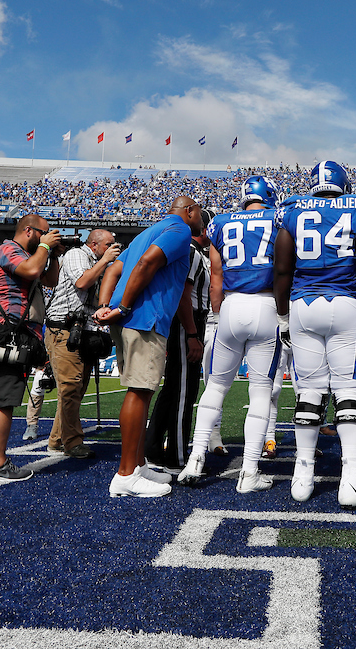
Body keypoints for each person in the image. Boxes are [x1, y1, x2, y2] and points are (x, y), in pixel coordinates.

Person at [272, 160, 356, 508]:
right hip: (345, 305)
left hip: (302, 307)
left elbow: (281, 270)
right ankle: (352, 481)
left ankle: (303, 477)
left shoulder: (292, 209)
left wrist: (283, 316)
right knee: (349, 392)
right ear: (344, 182)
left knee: (309, 393)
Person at [95, 196, 203, 498]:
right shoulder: (180, 230)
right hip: (143, 317)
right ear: (189, 211)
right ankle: (126, 474)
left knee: (139, 389)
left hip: (131, 316)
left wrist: (107, 305)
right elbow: (147, 262)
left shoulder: (148, 231)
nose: (201, 222)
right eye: (200, 216)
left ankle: (138, 464)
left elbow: (115, 270)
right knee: (139, 391)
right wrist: (125, 307)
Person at [180, 177, 282, 493]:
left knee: (216, 386)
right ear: (269, 195)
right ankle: (249, 472)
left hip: (231, 307)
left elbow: (216, 280)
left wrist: (218, 316)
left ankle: (195, 458)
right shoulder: (278, 219)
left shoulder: (221, 223)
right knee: (261, 392)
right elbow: (285, 269)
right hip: (266, 305)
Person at [0, 214, 63, 484]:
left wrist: (52, 254)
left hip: (9, 332)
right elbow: (32, 272)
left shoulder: (27, 253)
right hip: (9, 333)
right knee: (5, 401)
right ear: (30, 231)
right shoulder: (9, 249)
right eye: (44, 233)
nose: (48, 237)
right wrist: (46, 247)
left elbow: (50, 280)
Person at [36, 228, 120, 456]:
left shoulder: (100, 263)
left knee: (76, 389)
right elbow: (82, 282)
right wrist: (104, 262)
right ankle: (72, 442)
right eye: (108, 244)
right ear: (94, 245)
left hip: (84, 331)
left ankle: (56, 439)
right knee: (70, 387)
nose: (113, 247)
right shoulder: (77, 255)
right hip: (63, 329)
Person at [146, 222, 210, 472]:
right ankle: (177, 456)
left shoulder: (194, 252)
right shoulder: (192, 252)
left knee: (173, 387)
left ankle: (152, 448)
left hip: (187, 320)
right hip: (188, 321)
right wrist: (193, 332)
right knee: (185, 389)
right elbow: (185, 294)